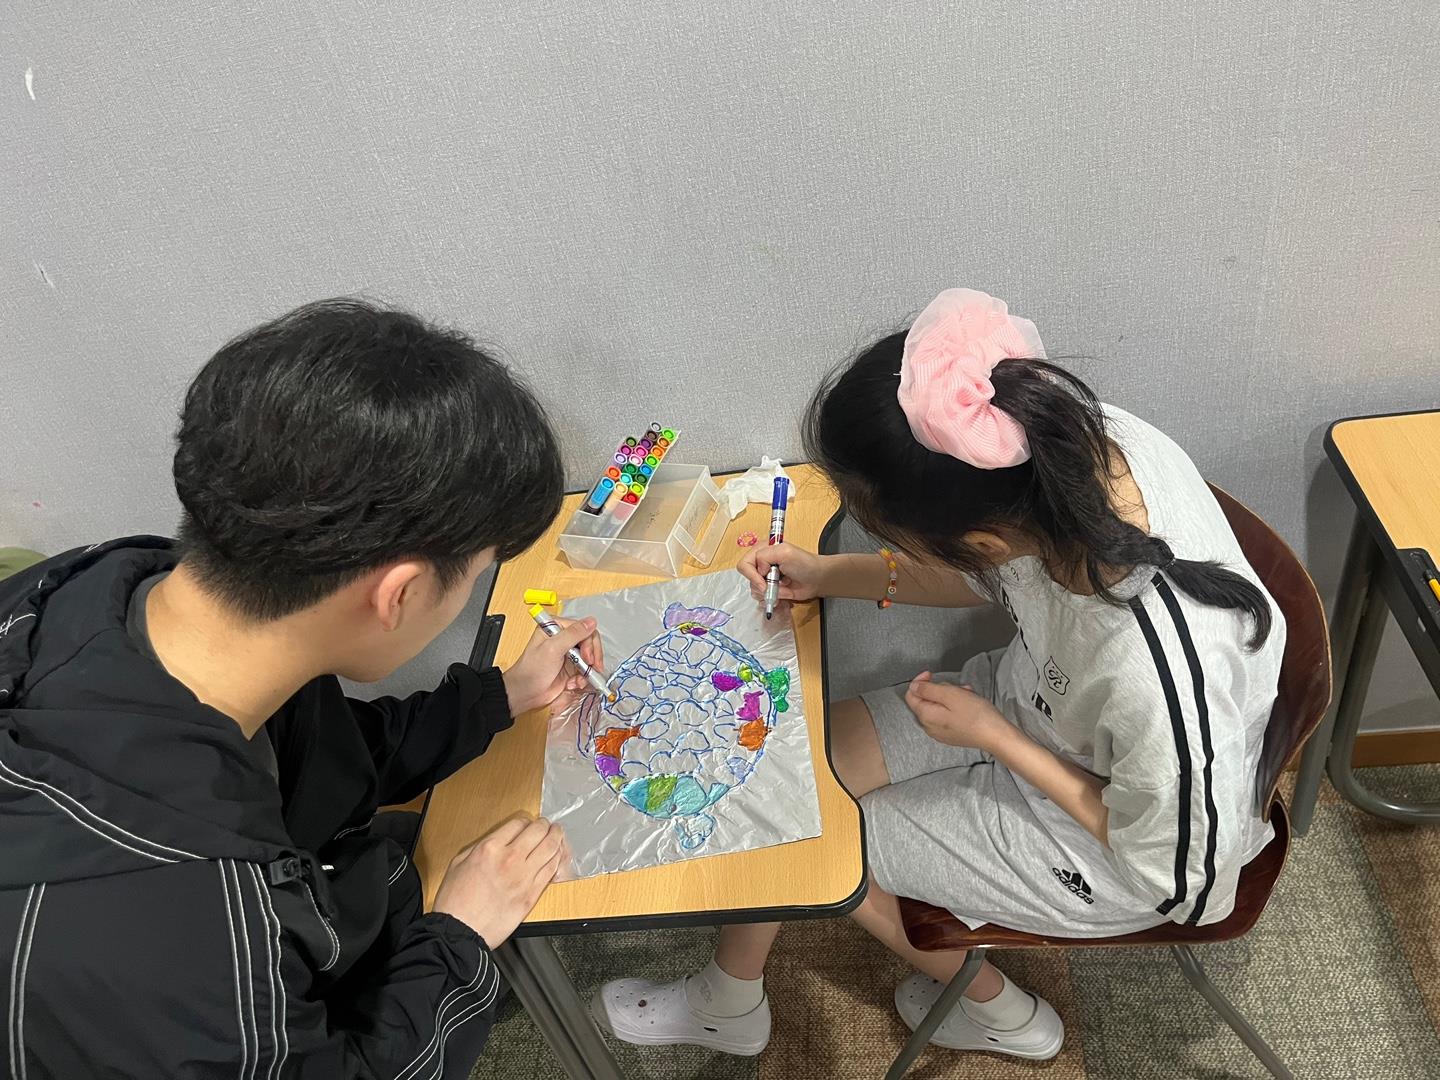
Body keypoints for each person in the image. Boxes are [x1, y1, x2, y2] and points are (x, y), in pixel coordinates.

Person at [592, 288, 1284, 1061]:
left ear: (982, 539)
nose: (886, 546)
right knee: (778, 778)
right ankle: (731, 997)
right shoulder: (1046, 449)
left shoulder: (1156, 669)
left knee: (811, 839)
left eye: (891, 537)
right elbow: (983, 574)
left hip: (1119, 845)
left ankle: (1000, 1015)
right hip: (1040, 711)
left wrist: (995, 738)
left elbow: (1177, 875)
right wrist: (828, 574)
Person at [0, 299, 602, 1078]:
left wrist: (501, 695)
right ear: (400, 594)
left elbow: (331, 759)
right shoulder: (191, 950)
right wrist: (461, 934)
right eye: (477, 576)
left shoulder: (115, 588)